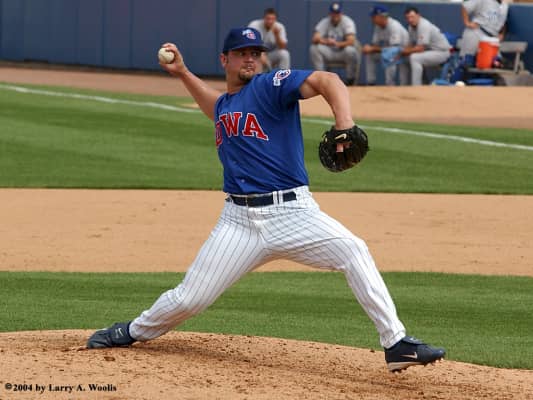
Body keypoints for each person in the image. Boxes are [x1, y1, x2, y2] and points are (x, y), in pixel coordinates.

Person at [86, 26, 446, 373]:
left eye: (255, 53)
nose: (250, 58)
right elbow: (215, 107)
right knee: (190, 299)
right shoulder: (227, 105)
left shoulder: (270, 85)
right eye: (242, 52)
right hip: (237, 223)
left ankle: (396, 343)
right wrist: (182, 72)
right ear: (224, 59)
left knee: (353, 250)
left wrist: (344, 124)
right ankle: (132, 330)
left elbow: (328, 81)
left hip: (293, 214)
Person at [310, 2, 361, 86]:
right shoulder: (325, 21)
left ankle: (350, 80)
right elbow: (315, 38)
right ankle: (321, 78)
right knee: (314, 48)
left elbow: (351, 41)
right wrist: (327, 41)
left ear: (341, 13)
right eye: (333, 13)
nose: (335, 15)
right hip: (329, 52)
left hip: (342, 52)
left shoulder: (347, 21)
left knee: (350, 50)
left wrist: (337, 44)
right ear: (330, 14)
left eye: (337, 13)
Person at [400, 7, 451, 85]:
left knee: (415, 57)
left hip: (442, 52)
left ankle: (416, 87)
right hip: (430, 52)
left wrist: (404, 51)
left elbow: (420, 48)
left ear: (418, 16)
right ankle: (404, 85)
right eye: (408, 18)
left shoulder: (424, 25)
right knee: (404, 59)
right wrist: (401, 52)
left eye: (412, 17)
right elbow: (410, 45)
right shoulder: (411, 27)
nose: (410, 20)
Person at [362, 5, 409, 86]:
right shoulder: (378, 26)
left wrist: (372, 48)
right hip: (390, 51)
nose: (372, 19)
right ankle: (371, 83)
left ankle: (389, 84)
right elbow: (375, 44)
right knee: (370, 55)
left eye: (374, 16)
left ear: (382, 16)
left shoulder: (394, 26)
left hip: (403, 53)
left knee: (389, 55)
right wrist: (368, 48)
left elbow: (394, 48)